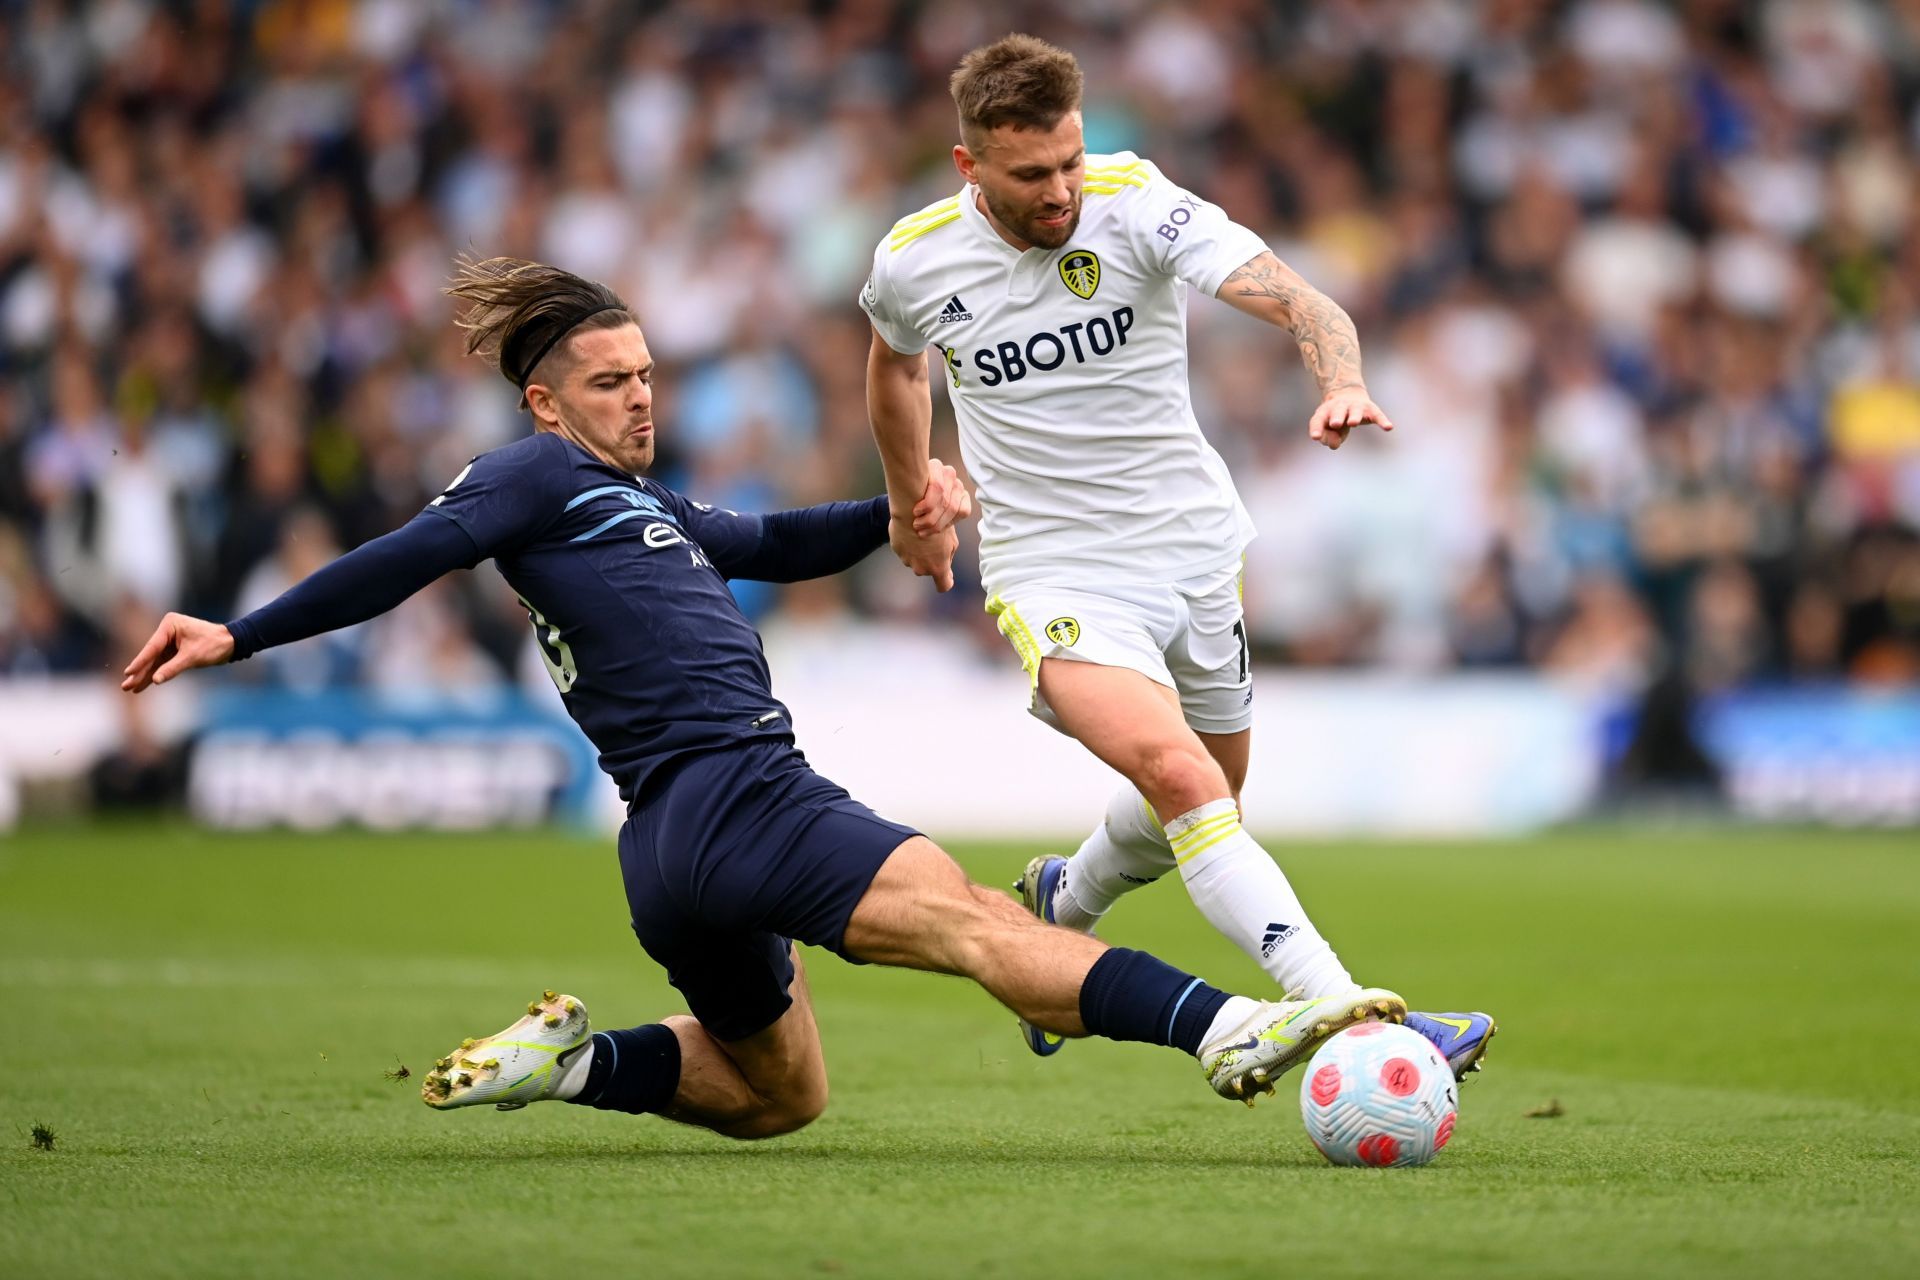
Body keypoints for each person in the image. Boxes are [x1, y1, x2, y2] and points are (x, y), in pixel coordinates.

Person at [121, 255, 1405, 1136]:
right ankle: (1231, 1024)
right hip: (742, 788)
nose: (641, 397)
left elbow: (776, 541)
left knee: (780, 1094)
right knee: (971, 919)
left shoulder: (640, 504)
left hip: (667, 849)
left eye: (647, 374)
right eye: (611, 382)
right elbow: (406, 556)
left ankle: (571, 1065)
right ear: (544, 401)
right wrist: (240, 631)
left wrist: (908, 504)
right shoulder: (525, 478)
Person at [860, 35, 1494, 1078]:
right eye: (1032, 174)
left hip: (1192, 551)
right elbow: (893, 367)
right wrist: (908, 498)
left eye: (1070, 160)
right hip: (1052, 568)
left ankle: (1068, 900)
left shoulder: (1136, 201)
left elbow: (1303, 298)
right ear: (971, 165)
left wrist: (1338, 376)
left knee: (1209, 795)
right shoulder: (916, 258)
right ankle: (1352, 1013)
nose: (1062, 190)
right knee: (1177, 772)